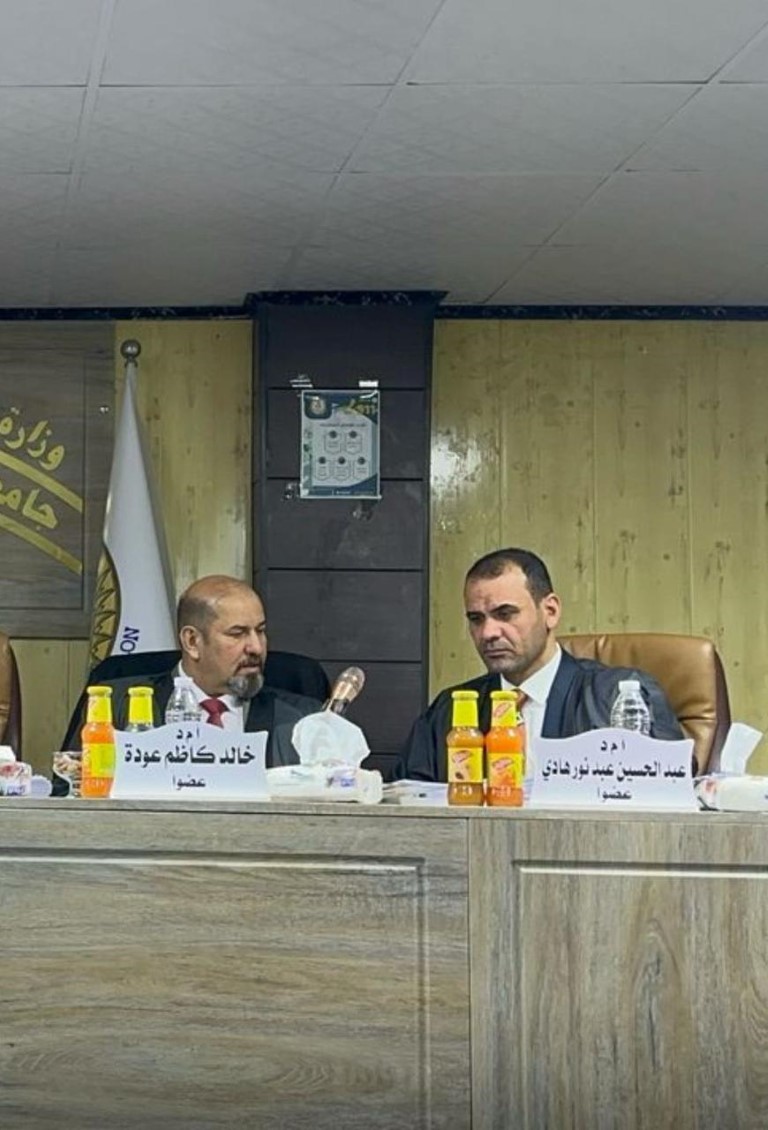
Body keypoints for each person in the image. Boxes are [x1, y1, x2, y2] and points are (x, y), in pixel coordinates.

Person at [401, 548, 684, 781]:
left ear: (550, 611)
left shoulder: (618, 697)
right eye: (476, 619)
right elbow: (408, 805)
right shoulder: (450, 711)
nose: (488, 633)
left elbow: (671, 793)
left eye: (505, 614)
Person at [57, 576, 322, 790]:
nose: (256, 647)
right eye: (238, 633)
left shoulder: (303, 718)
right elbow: (68, 792)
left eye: (260, 631)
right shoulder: (116, 704)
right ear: (192, 641)